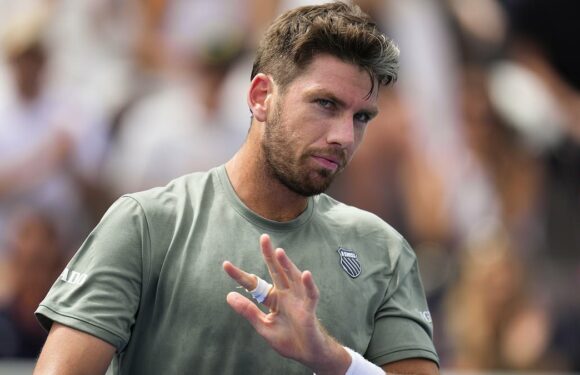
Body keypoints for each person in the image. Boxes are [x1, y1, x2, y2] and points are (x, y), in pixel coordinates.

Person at [33, 2, 439, 374]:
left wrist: (330, 358)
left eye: (362, 117)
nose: (345, 136)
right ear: (262, 96)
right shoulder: (144, 224)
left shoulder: (384, 250)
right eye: (326, 104)